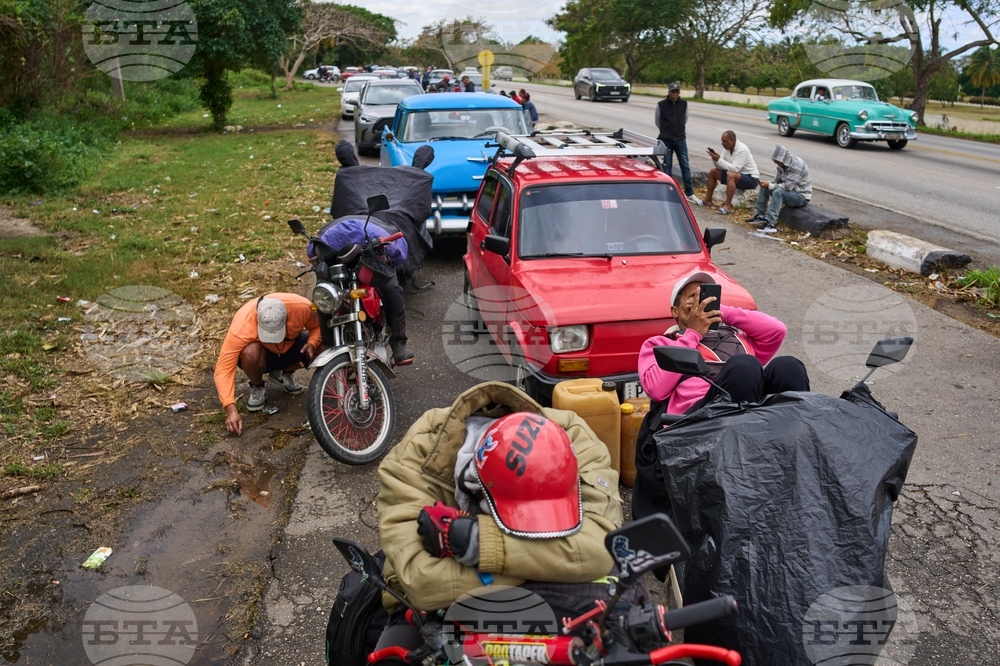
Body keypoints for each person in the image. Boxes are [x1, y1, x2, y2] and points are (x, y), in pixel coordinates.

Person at [372, 382, 626, 661]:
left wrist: (479, 544)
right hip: (428, 608)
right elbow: (422, 584)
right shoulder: (412, 460)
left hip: (497, 584)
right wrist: (552, 562)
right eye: (524, 517)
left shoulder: (574, 438)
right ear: (477, 490)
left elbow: (599, 551)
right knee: (392, 657)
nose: (538, 530)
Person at [638, 271, 809, 416]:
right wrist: (693, 333)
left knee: (788, 366)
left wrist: (722, 311)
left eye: (703, 296)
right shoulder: (661, 342)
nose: (699, 302)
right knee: (744, 366)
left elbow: (777, 330)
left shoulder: (735, 337)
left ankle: (801, 436)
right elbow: (656, 390)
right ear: (675, 310)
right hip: (699, 417)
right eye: (692, 297)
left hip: (755, 409)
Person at [214, 293, 321, 435]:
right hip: (263, 355)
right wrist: (231, 409)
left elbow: (318, 326)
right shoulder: (242, 325)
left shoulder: (302, 307)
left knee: (325, 343)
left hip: (292, 347)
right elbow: (223, 370)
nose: (274, 339)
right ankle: (258, 386)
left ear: (287, 317)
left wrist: (312, 344)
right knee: (250, 352)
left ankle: (283, 373)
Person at [654, 82, 699, 206]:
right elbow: (657, 121)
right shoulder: (661, 105)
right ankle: (668, 190)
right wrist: (665, 129)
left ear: (679, 93)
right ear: (668, 92)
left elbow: (685, 119)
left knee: (684, 164)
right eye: (672, 92)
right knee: (667, 165)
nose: (674, 94)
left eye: (676, 92)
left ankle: (689, 192)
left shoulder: (684, 104)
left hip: (680, 138)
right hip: (666, 138)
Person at [752, 144, 812, 233]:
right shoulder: (781, 165)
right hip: (790, 193)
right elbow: (778, 180)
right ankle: (760, 215)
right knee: (765, 188)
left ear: (783, 159)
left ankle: (771, 223)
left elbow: (788, 186)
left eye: (776, 160)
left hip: (801, 196)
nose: (775, 163)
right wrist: (767, 184)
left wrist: (770, 185)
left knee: (778, 192)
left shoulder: (796, 165)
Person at [697, 130, 760, 215]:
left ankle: (727, 207)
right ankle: (707, 200)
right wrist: (715, 159)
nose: (722, 143)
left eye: (724, 141)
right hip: (737, 176)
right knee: (713, 172)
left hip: (751, 178)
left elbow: (735, 169)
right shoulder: (727, 149)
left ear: (732, 140)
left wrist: (719, 160)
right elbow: (720, 167)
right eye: (722, 141)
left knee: (731, 175)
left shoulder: (742, 149)